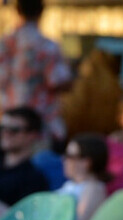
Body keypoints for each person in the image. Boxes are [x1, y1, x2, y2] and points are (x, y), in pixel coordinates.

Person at [0, 0, 72, 145]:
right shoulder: (47, 46)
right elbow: (58, 81)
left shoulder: (4, 44)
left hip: (8, 123)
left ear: (17, 11)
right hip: (40, 126)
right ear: (41, 12)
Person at [0, 106, 49, 207]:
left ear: (32, 135)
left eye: (14, 130)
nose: (5, 133)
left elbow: (29, 214)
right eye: (2, 128)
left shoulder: (34, 179)